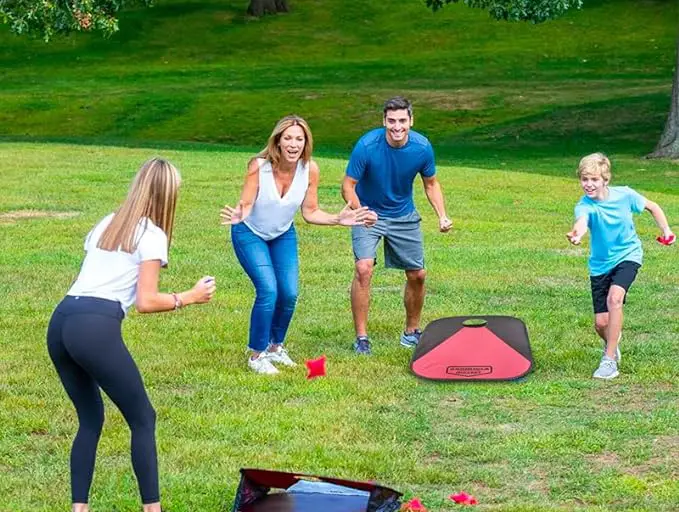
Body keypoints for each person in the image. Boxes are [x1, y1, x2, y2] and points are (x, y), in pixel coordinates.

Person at [46, 158, 216, 512]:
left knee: (90, 418)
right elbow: (146, 301)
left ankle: (79, 508)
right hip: (94, 325)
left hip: (61, 320)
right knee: (142, 418)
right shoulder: (152, 235)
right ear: (167, 194)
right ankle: (152, 509)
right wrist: (189, 297)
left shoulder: (107, 223)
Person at [221, 115, 377, 374]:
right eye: (288, 138)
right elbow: (246, 203)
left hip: (282, 233)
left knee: (289, 292)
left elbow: (311, 212)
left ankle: (275, 348)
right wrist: (241, 214)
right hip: (249, 232)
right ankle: (256, 355)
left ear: (306, 143)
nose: (294, 144)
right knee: (268, 290)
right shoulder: (258, 167)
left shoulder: (310, 169)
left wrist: (338, 219)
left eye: (299, 139)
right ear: (278, 142)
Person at [341, 96, 453, 355]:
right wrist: (359, 212)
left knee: (418, 274)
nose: (397, 126)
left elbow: (431, 183)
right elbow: (348, 185)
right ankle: (361, 338)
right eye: (391, 121)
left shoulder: (422, 147)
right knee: (363, 268)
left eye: (402, 120)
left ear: (411, 121)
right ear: (384, 121)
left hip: (403, 215)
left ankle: (411, 332)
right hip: (368, 211)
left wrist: (442, 215)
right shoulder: (367, 145)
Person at [566, 152, 674, 380]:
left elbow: (653, 206)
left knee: (615, 298)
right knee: (600, 324)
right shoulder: (584, 206)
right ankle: (613, 341)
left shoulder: (625, 195)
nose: (589, 184)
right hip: (600, 266)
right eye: (584, 179)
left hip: (628, 255)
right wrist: (578, 234)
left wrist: (666, 230)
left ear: (606, 179)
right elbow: (582, 222)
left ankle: (609, 360)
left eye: (594, 179)